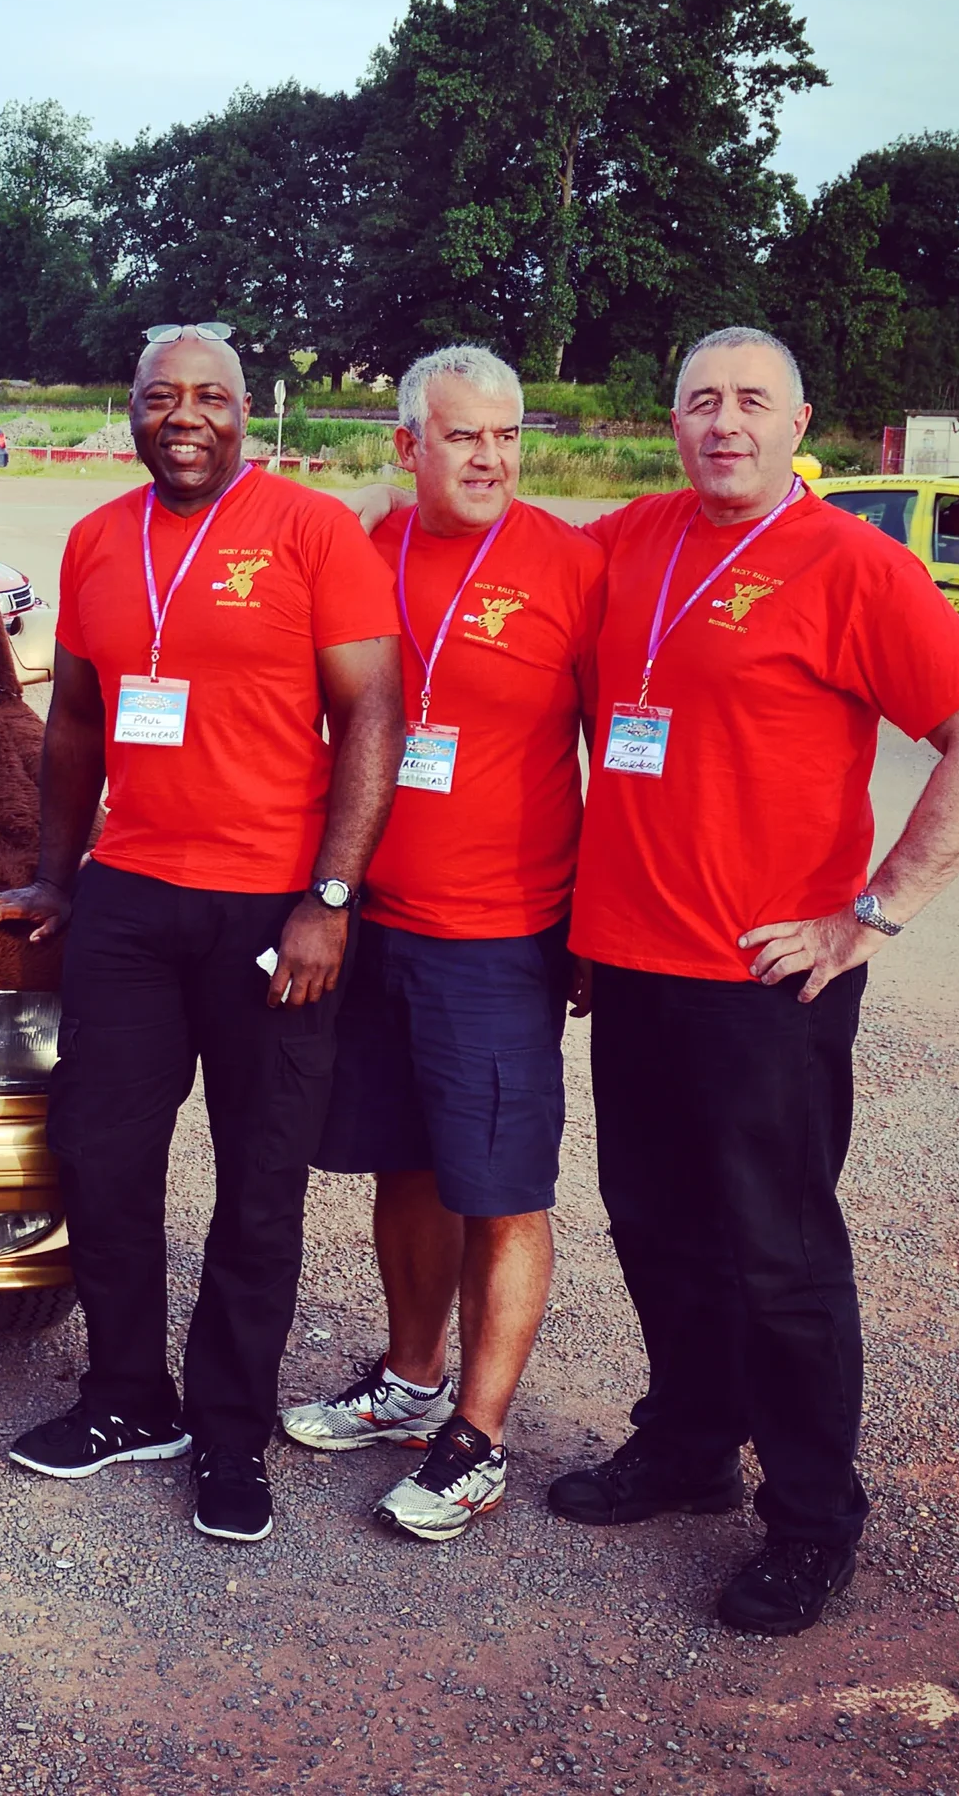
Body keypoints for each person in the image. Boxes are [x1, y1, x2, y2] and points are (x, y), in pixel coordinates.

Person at [547, 328, 959, 1633]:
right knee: (653, 1220)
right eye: (701, 398)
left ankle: (812, 1518)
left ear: (799, 420)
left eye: (753, 400)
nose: (724, 421)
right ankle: (691, 1438)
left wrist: (875, 910)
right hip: (628, 964)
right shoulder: (631, 536)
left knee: (779, 1254)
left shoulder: (852, 563)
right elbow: (503, 572)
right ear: (675, 418)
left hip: (765, 984)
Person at [0, 324, 402, 1544]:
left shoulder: (312, 533)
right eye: (162, 397)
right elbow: (76, 731)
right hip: (132, 902)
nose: (184, 415)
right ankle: (124, 1398)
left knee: (258, 1183)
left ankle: (228, 1429)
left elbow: (374, 718)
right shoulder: (99, 540)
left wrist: (332, 897)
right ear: (134, 410)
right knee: (102, 1158)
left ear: (245, 409)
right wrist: (56, 877)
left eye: (209, 395)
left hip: (273, 909)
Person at [277, 347, 602, 1543]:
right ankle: (410, 1382)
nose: (490, 458)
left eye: (507, 435)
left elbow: (618, 756)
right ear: (408, 443)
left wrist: (591, 926)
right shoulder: (360, 549)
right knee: (403, 1168)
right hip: (370, 923)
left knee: (501, 1191)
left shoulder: (574, 567)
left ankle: (477, 1435)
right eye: (463, 436)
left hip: (500, 937)